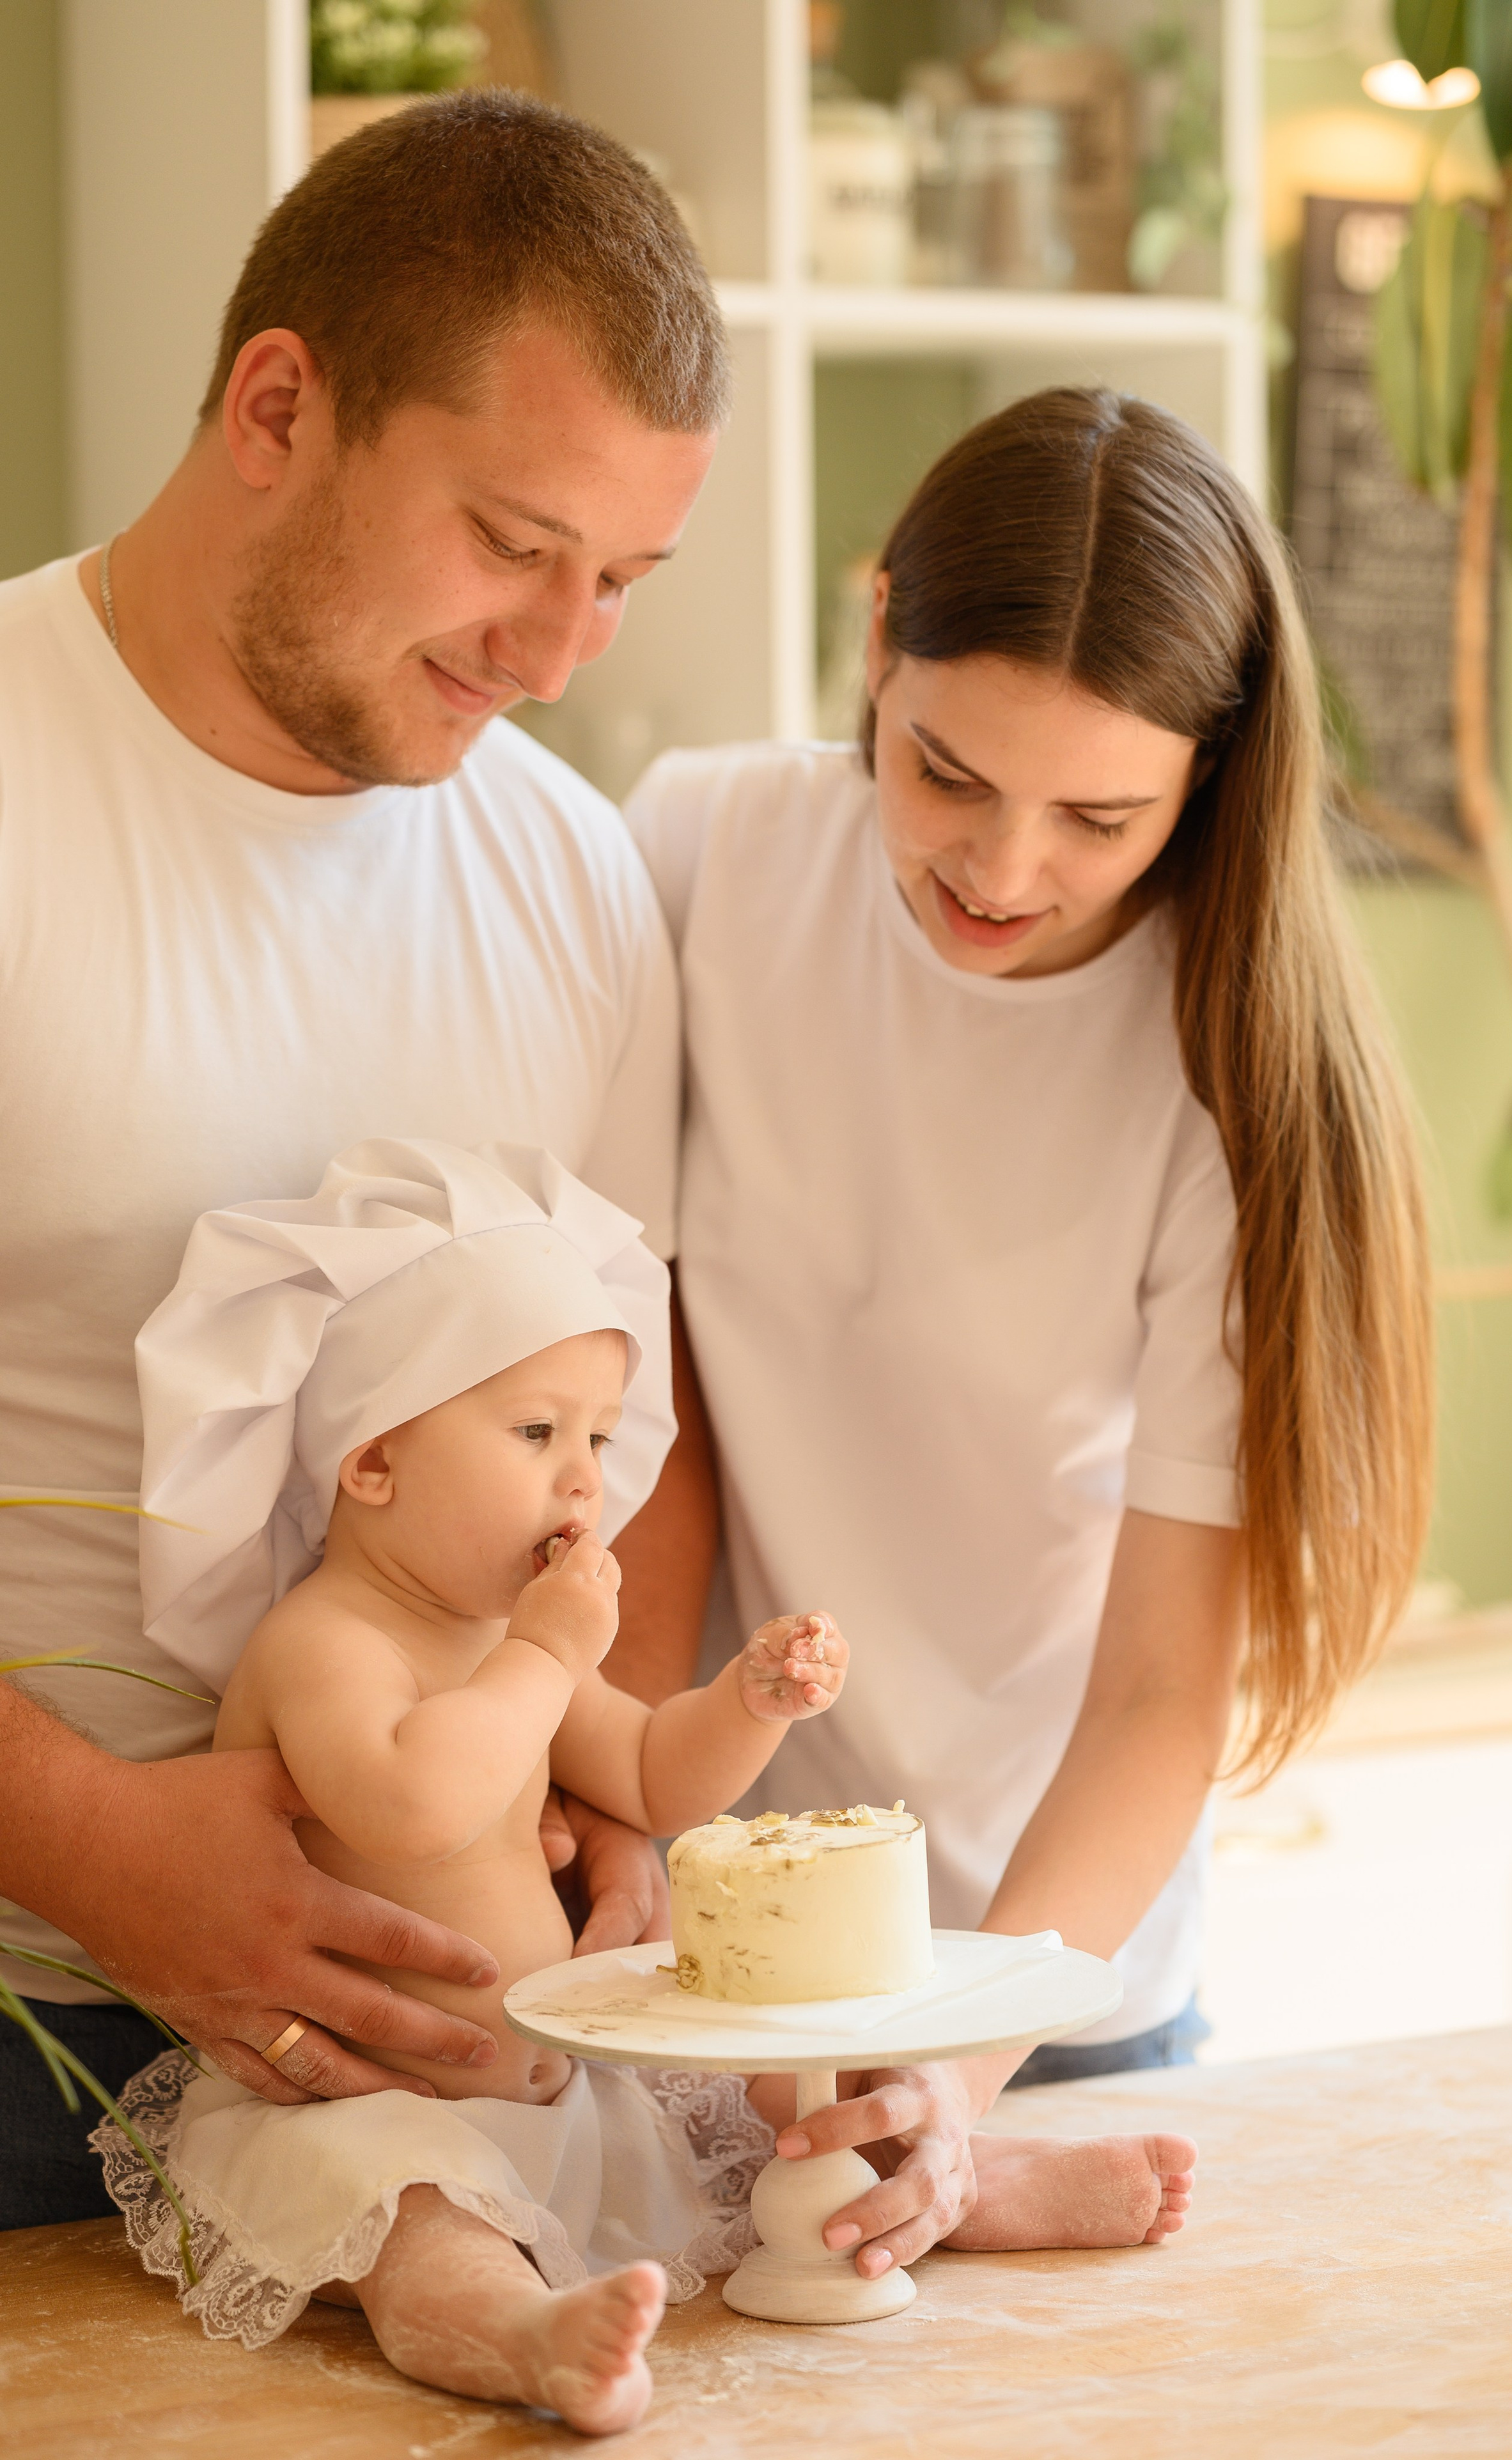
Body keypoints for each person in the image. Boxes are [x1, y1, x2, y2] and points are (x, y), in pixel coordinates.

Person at [0, 91, 728, 2229]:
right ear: (278, 407)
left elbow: (637, 1423)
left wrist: (623, 1801)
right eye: (512, 541)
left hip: (457, 2070)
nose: (558, 652)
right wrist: (88, 1845)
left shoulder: (572, 876)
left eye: (622, 580)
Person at [619, 386, 1435, 2288]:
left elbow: (1158, 1694)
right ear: (876, 635)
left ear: (1207, 778)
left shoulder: (1226, 1081)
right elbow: (621, 1391)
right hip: (716, 1933)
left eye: (1098, 818)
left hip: (1045, 1976)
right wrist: (619, 1806)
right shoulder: (705, 853)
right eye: (945, 773)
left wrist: (956, 2078)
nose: (998, 869)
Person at [95, 1140, 1193, 2434]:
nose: (585, 1478)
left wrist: (746, 1703)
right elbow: (412, 1803)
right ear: (374, 1462)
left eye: (600, 1438)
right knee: (418, 2224)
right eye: (536, 1432)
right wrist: (547, 1653)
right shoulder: (324, 1644)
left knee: (774, 2098)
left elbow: (651, 1776)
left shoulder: (506, 1642)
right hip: (369, 2107)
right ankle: (512, 2332)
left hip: (569, 2094)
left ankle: (950, 2179)